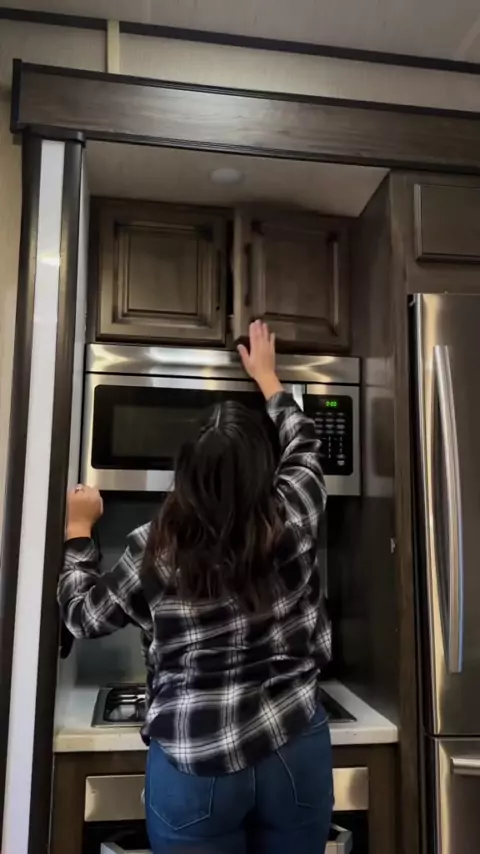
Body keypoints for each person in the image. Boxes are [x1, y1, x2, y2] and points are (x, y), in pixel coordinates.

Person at [59, 320, 333, 854]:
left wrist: (77, 531)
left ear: (184, 472)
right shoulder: (297, 509)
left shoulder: (153, 548)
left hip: (196, 762)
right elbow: (305, 441)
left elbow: (82, 616)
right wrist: (268, 379)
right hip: (294, 745)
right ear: (265, 469)